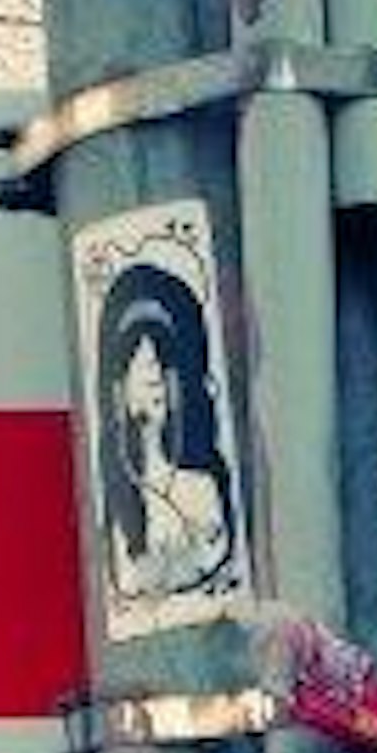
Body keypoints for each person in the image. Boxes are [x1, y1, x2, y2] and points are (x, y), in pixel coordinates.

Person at [93, 264, 240, 618]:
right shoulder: (122, 501)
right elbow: (129, 584)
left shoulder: (203, 485)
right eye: (140, 365)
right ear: (118, 391)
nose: (154, 379)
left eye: (162, 364)